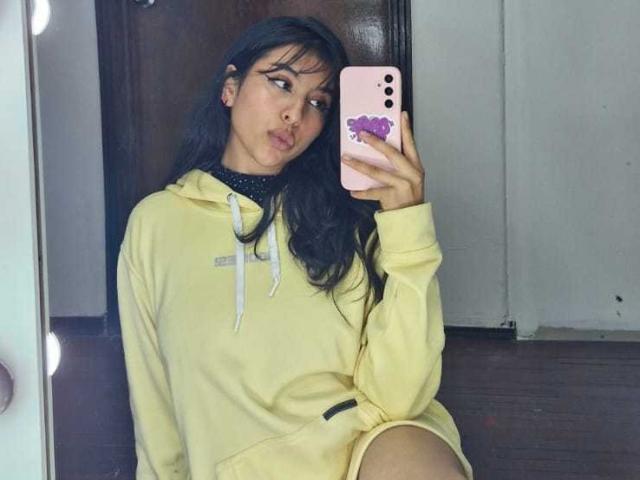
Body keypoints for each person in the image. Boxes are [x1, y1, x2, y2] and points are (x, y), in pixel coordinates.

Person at [117, 15, 473, 480]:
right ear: (230, 88)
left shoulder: (349, 219)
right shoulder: (156, 224)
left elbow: (399, 398)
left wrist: (408, 227)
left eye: (318, 102)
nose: (296, 114)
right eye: (281, 83)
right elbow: (154, 406)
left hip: (366, 449)